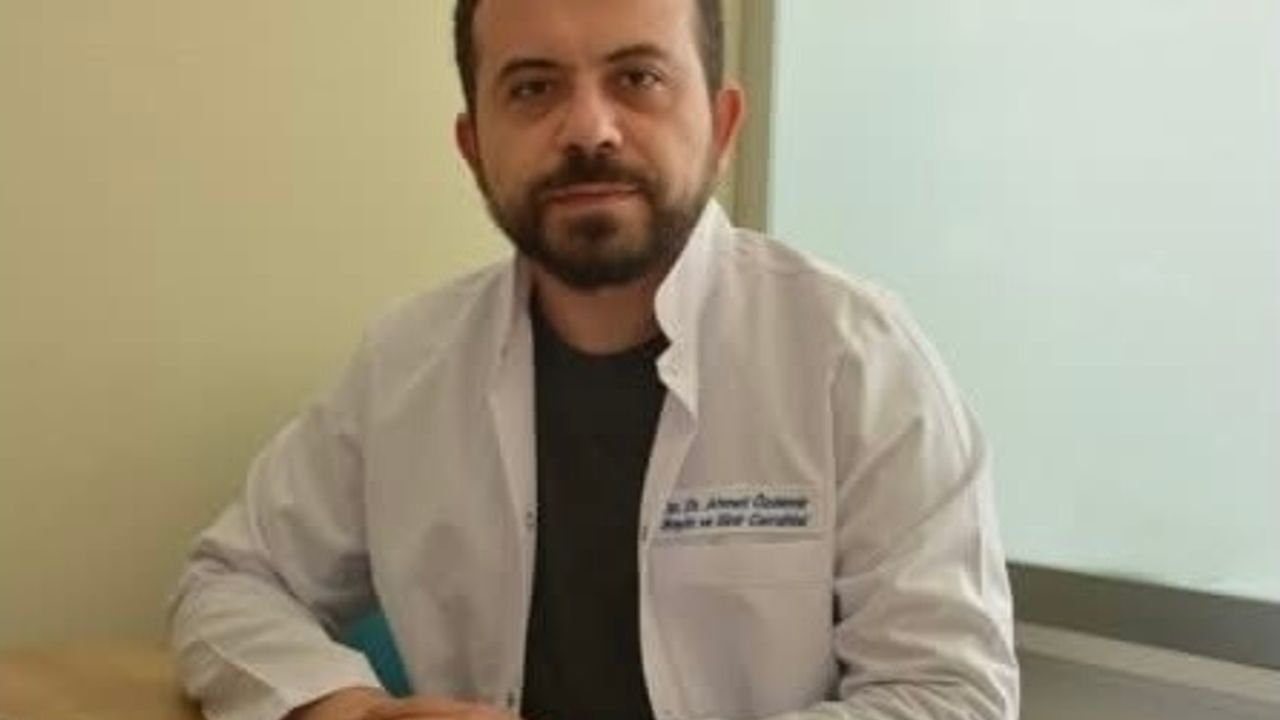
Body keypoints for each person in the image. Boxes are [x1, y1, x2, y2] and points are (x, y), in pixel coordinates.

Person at [168, 0, 1020, 718]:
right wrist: (349, 710)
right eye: (532, 88)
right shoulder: (405, 367)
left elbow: (950, 694)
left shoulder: (855, 359)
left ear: (722, 125)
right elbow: (231, 580)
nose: (588, 130)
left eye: (637, 78)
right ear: (473, 146)